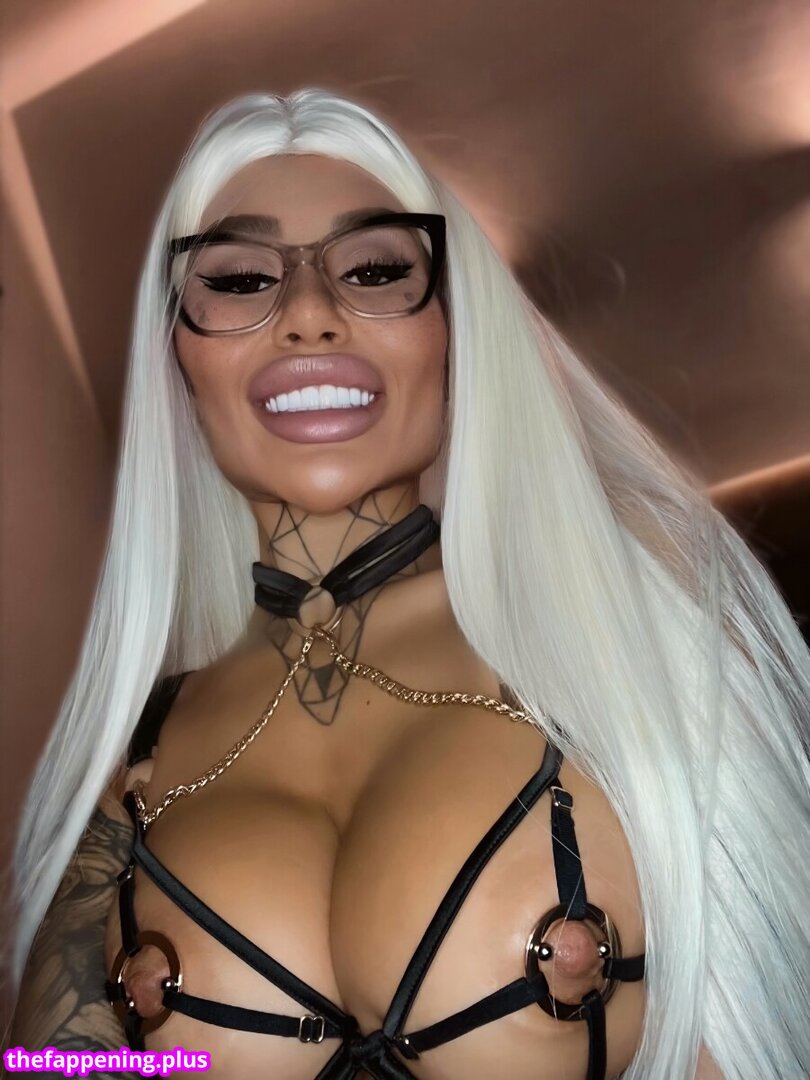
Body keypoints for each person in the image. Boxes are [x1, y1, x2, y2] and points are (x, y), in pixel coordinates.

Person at [7, 89, 809, 1080]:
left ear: (455, 328)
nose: (309, 313)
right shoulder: (135, 771)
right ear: (177, 353)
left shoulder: (625, 638)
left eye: (377, 270)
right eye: (241, 279)